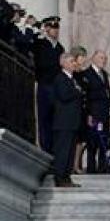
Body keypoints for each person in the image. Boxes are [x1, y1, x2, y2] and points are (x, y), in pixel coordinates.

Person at [50, 52, 84, 188]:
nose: (74, 63)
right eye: (71, 61)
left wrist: (77, 90)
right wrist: (77, 91)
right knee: (63, 151)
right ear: (63, 63)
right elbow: (64, 95)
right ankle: (59, 178)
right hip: (63, 123)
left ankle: (66, 177)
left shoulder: (73, 79)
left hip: (72, 122)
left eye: (74, 61)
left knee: (70, 152)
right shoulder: (60, 78)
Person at [32, 16, 65, 153]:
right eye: (52, 28)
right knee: (44, 119)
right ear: (46, 29)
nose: (55, 31)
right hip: (45, 85)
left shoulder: (60, 48)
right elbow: (40, 64)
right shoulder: (40, 44)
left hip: (56, 87)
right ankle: (46, 149)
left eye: (57, 28)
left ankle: (54, 149)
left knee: (55, 119)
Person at [81, 50, 110, 174]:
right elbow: (86, 95)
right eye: (101, 58)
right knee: (92, 142)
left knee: (103, 142)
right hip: (94, 113)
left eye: (105, 58)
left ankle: (102, 167)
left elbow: (107, 93)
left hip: (104, 113)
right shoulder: (86, 74)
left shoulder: (104, 74)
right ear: (94, 59)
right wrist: (89, 113)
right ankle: (91, 168)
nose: (104, 61)